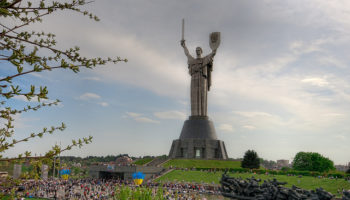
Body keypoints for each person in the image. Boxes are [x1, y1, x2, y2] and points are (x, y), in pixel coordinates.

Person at [180, 40, 216, 116]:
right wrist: (184, 46)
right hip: (194, 80)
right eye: (196, 50)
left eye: (199, 50)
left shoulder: (204, 60)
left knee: (203, 96)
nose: (197, 51)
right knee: (194, 97)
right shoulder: (193, 61)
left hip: (203, 79)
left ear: (201, 51)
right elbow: (187, 54)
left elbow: (212, 54)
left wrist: (214, 48)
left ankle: (203, 114)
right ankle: (195, 114)